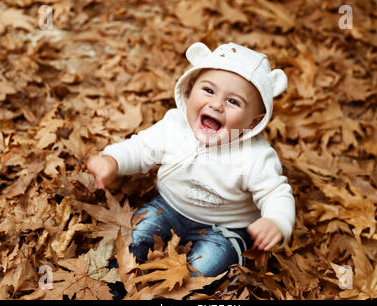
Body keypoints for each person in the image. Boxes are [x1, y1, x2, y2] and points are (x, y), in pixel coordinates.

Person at [87, 42, 295, 278]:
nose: (216, 104)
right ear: (190, 87)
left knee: (209, 265)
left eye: (233, 101)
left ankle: (176, 299)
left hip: (224, 227)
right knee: (133, 235)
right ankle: (112, 282)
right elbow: (140, 147)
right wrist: (113, 160)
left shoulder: (255, 156)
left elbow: (276, 193)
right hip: (167, 207)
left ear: (252, 122)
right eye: (208, 90)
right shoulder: (175, 125)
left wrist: (276, 221)